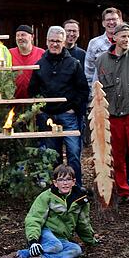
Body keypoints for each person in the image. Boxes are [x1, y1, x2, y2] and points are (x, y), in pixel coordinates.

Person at [92, 24, 129, 209]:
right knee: (116, 156)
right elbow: (96, 87)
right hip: (113, 116)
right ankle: (123, 191)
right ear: (114, 39)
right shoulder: (101, 60)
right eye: (123, 36)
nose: (127, 40)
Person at [0, 164, 97, 258]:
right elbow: (34, 218)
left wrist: (91, 241)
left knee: (76, 249)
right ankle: (15, 256)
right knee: (56, 246)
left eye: (68, 179)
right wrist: (33, 241)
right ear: (55, 183)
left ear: (74, 182)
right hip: (45, 233)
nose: (65, 183)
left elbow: (83, 223)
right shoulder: (46, 197)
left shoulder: (81, 200)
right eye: (61, 180)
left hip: (62, 238)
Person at [28, 26, 89, 186]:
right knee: (52, 154)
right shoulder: (39, 64)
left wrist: (73, 107)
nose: (55, 44)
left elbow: (83, 90)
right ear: (47, 42)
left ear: (64, 42)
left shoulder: (73, 64)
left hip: (68, 116)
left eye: (58, 41)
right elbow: (32, 90)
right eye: (52, 41)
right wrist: (40, 108)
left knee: (74, 152)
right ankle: (56, 187)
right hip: (47, 117)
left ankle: (76, 187)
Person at [84, 7, 129, 89]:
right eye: (108, 20)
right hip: (105, 92)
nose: (111, 22)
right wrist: (94, 92)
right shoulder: (94, 44)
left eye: (114, 19)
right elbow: (89, 72)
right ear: (103, 23)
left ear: (120, 21)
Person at [9, 25, 45, 99]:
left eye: (23, 35)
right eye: (17, 35)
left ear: (32, 37)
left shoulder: (41, 53)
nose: (20, 38)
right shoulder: (9, 53)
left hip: (35, 101)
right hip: (13, 100)